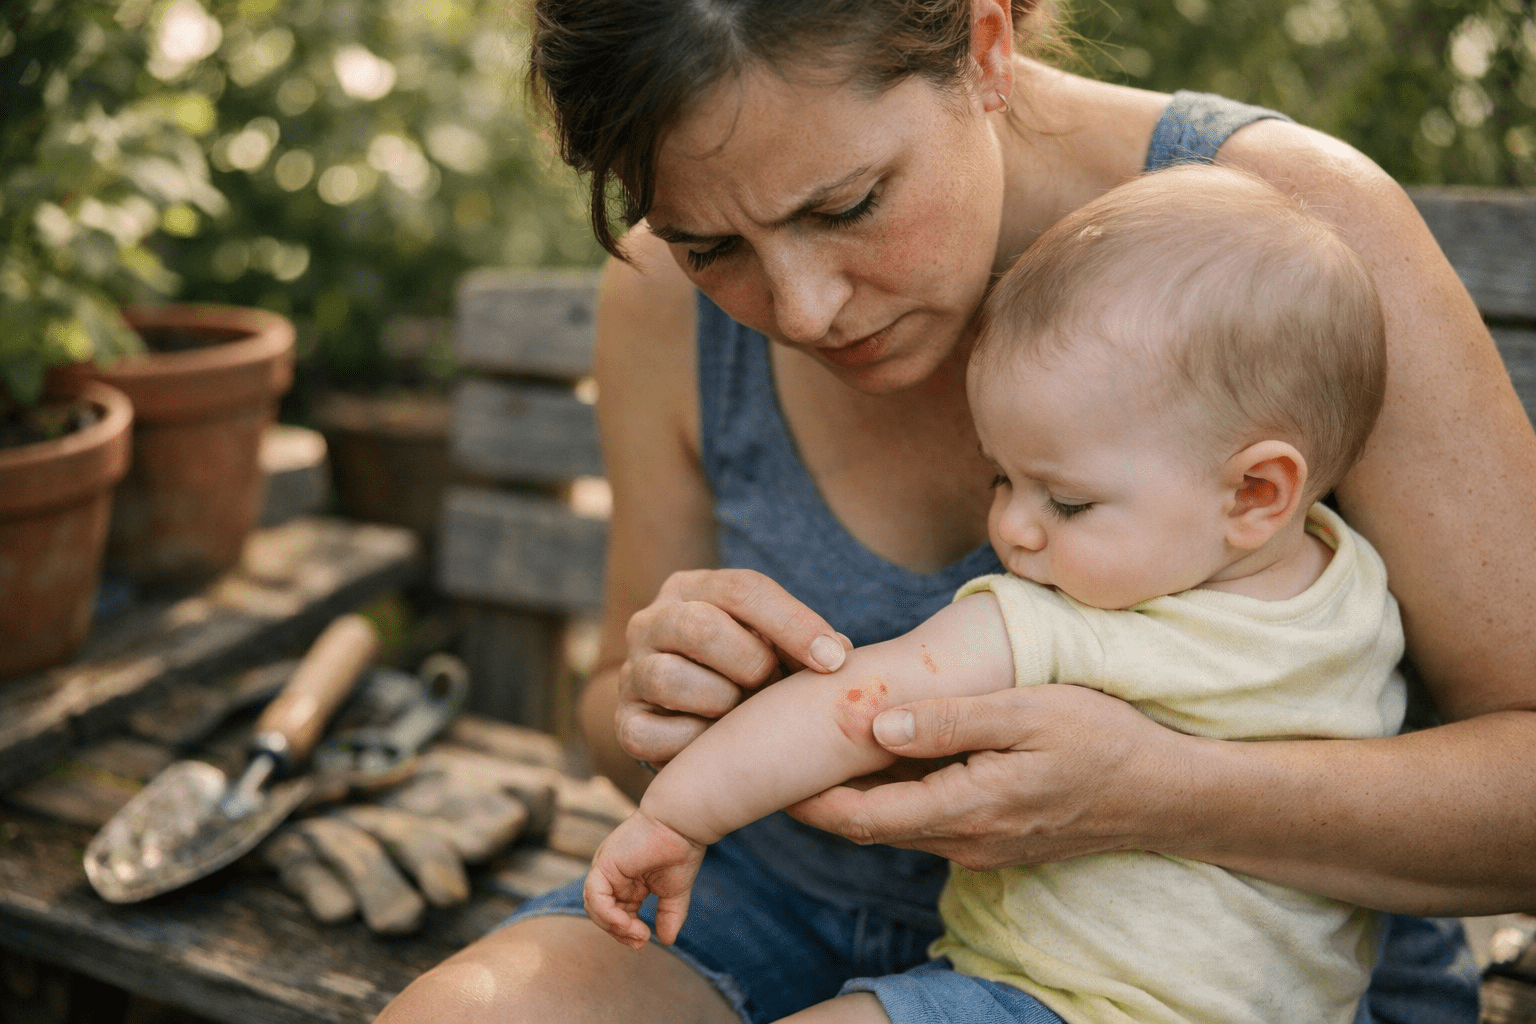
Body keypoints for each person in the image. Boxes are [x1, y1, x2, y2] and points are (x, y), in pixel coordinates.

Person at [377, 2, 1536, 1022]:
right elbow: (612, 729)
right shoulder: (656, 302)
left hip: (1196, 979)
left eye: (848, 203)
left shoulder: (1287, 236)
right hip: (769, 897)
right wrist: (658, 702)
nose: (804, 307)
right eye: (713, 245)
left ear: (985, 47)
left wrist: (1153, 794)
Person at [583, 164, 1403, 1024]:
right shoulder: (1353, 595)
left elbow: (844, 710)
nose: (1012, 529)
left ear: (1257, 494)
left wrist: (675, 819)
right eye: (1001, 478)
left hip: (1055, 1000)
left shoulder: (1067, 620)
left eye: (1068, 500)